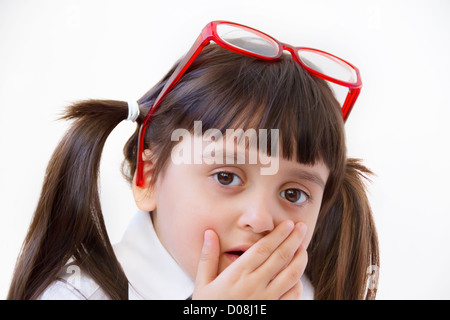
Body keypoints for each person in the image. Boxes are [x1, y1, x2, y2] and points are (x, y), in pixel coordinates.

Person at [7, 21, 379, 300]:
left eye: (294, 194)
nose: (262, 219)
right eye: (227, 177)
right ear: (147, 177)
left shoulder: (303, 292)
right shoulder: (76, 295)